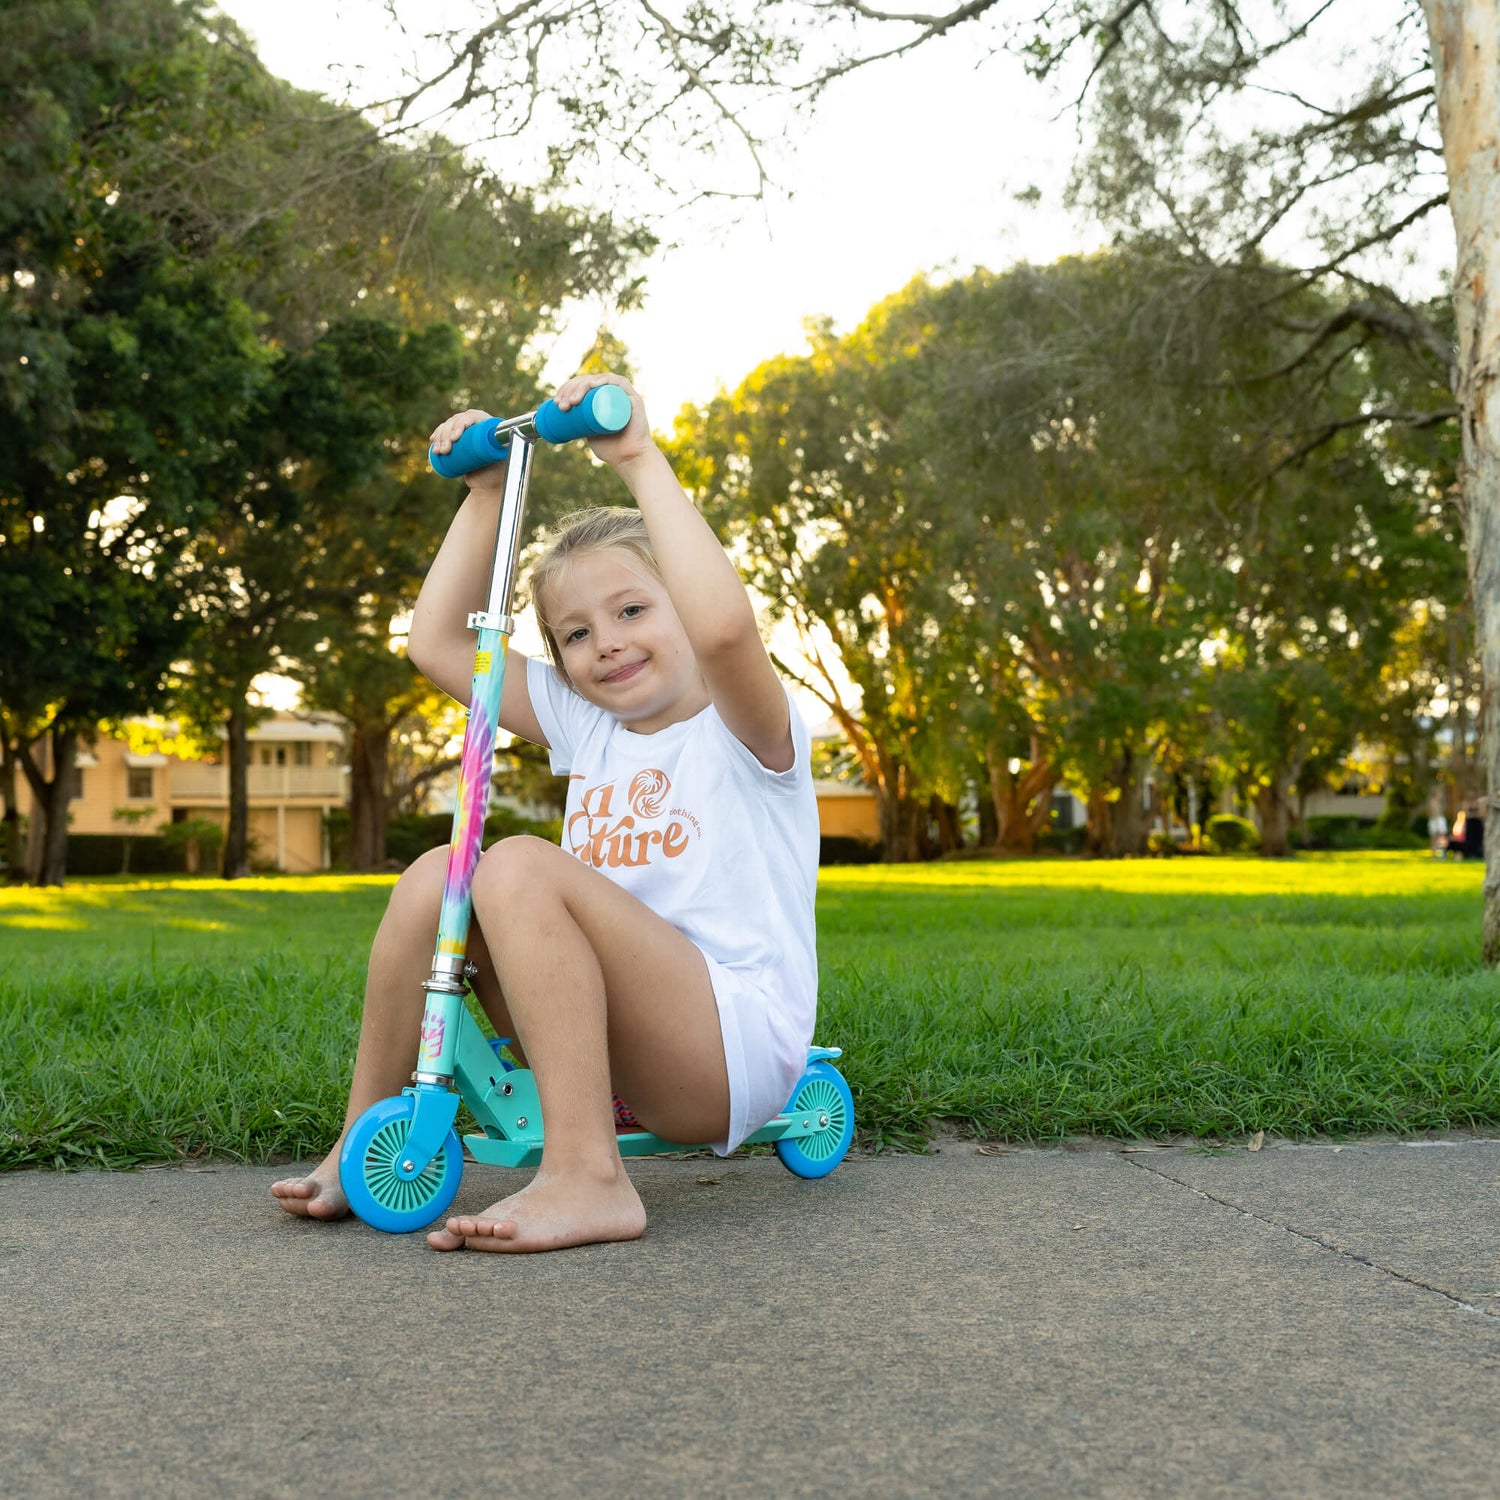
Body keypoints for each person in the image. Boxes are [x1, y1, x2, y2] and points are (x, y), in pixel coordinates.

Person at [272, 373, 819, 1253]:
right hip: (616, 1049)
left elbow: (724, 633)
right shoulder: (586, 722)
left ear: (682, 600)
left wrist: (636, 457)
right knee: (436, 877)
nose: (606, 642)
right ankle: (361, 1131)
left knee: (517, 862)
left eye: (634, 610)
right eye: (574, 634)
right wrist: (485, 495)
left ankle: (588, 1177)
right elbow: (437, 644)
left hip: (724, 1054)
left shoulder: (748, 728)